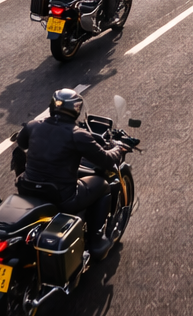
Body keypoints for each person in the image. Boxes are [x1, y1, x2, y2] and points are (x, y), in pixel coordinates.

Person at [12, 88, 124, 253]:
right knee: (103, 185)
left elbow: (21, 145)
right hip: (61, 197)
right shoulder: (78, 135)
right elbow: (106, 161)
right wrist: (118, 148)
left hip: (27, 189)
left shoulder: (33, 126)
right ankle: (96, 241)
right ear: (76, 110)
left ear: (51, 106)